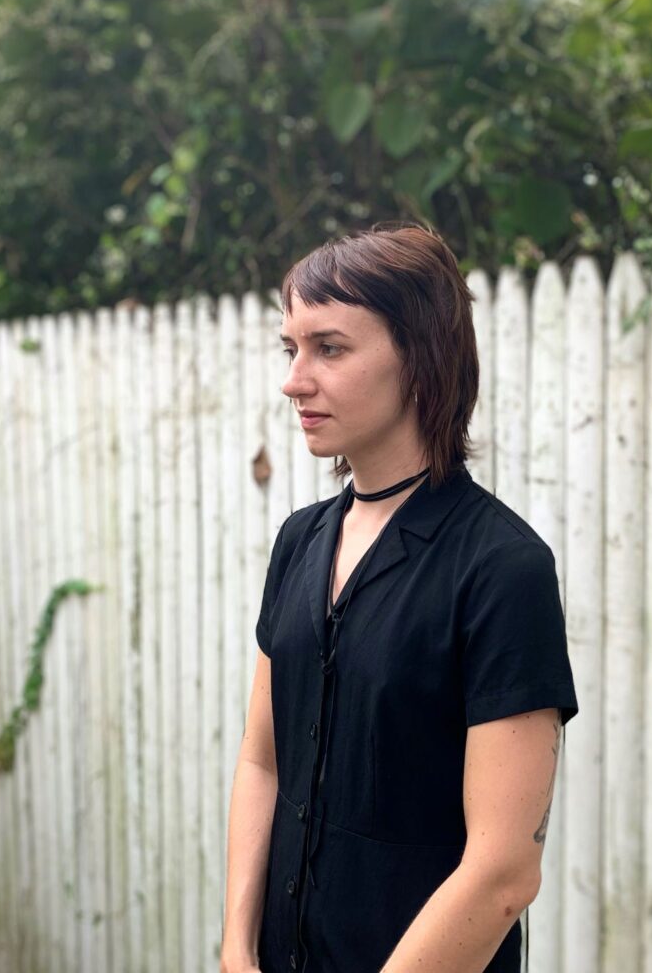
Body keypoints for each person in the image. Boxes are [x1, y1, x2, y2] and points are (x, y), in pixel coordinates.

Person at [220, 223, 578, 973]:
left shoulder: (501, 569)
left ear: (421, 358)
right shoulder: (300, 542)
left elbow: (505, 870)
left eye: (331, 347)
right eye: (292, 349)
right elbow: (263, 762)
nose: (295, 379)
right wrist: (235, 951)